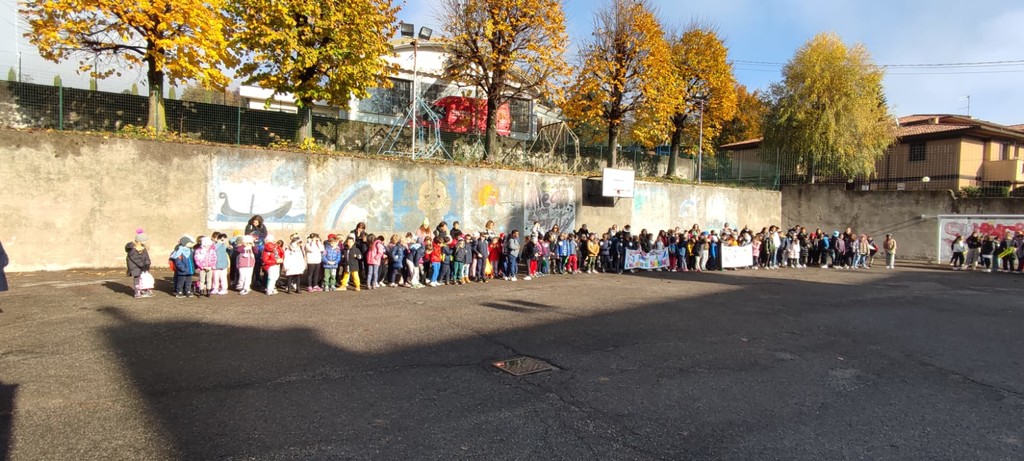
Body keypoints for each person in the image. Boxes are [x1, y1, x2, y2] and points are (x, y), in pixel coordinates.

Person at [125, 229, 153, 298]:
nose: (145, 242)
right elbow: (136, 259)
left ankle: (143, 290)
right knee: (137, 279)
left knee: (143, 279)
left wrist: (147, 263)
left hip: (142, 267)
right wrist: (142, 265)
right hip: (135, 267)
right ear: (140, 241)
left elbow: (146, 257)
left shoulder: (143, 248)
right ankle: (137, 292)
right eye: (144, 240)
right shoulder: (133, 249)